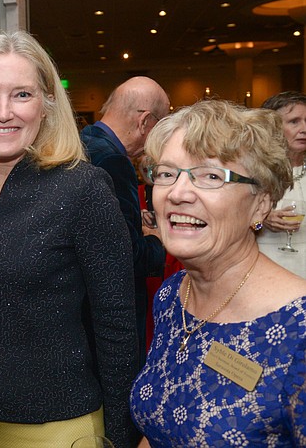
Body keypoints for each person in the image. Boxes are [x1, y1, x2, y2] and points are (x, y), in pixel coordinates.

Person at [0, 31, 137, 448]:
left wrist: (121, 436)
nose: (3, 112)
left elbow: (117, 324)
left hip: (58, 424)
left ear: (46, 103)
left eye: (22, 95)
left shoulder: (84, 188)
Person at [131, 100, 306, 446]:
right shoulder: (172, 295)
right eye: (166, 173)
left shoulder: (299, 331)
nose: (178, 193)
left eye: (211, 176)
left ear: (261, 202)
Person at [80, 77, 170, 362]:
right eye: (161, 125)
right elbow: (127, 257)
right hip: (108, 318)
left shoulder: (81, 143)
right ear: (145, 122)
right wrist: (157, 239)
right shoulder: (113, 161)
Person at [258, 91, 306, 278]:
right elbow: (229, 220)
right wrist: (261, 219)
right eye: (294, 121)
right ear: (272, 127)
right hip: (267, 268)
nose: (304, 128)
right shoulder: (256, 170)